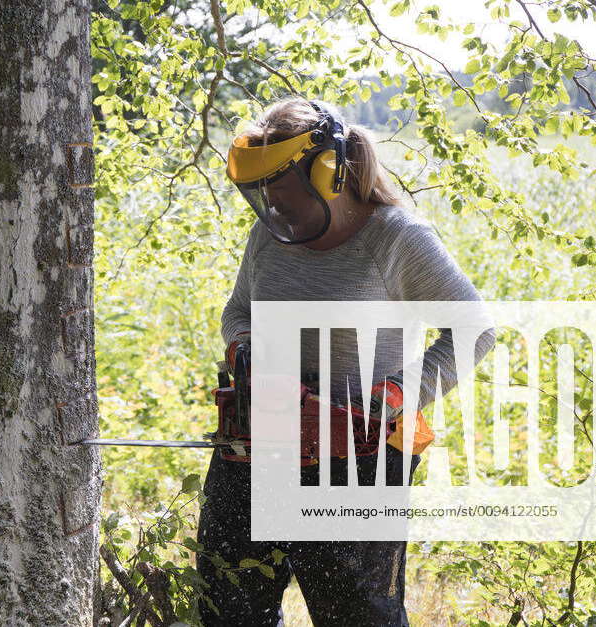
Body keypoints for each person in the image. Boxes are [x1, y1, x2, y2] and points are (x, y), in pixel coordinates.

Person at [194, 97, 494, 626]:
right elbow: (238, 310)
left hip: (359, 455)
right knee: (229, 606)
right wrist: (242, 345)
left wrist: (400, 393)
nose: (273, 208)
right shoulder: (269, 232)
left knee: (356, 616)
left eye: (282, 194)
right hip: (258, 441)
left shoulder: (396, 239)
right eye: (262, 196)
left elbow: (475, 330)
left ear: (329, 173)